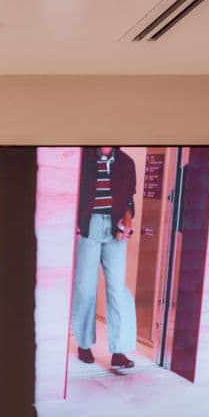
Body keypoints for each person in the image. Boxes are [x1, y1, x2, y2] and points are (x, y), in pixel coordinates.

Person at [71, 146, 137, 372]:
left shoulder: (126, 162)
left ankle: (119, 351)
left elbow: (129, 202)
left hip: (115, 227)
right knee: (85, 288)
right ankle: (84, 344)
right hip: (88, 226)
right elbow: (74, 194)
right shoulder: (83, 158)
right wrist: (76, 223)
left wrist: (126, 221)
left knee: (117, 289)